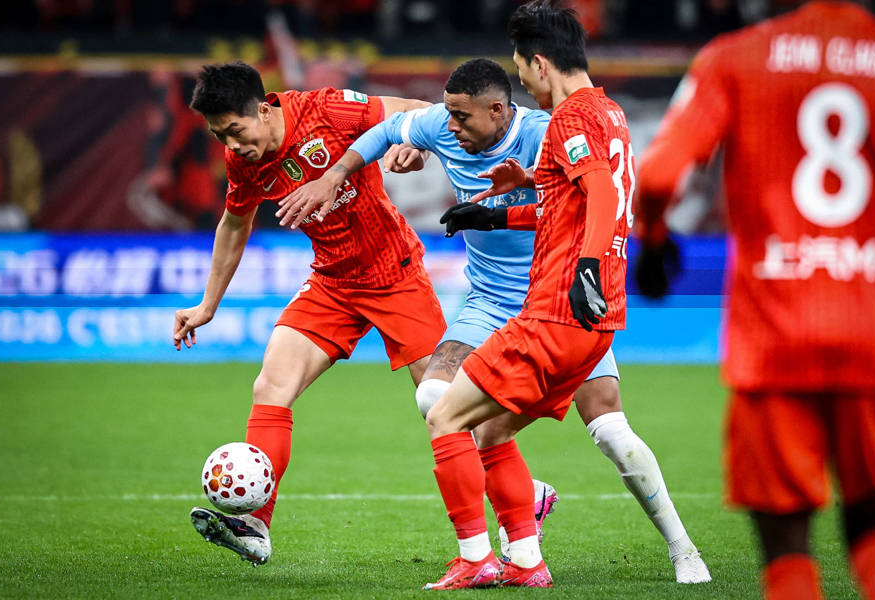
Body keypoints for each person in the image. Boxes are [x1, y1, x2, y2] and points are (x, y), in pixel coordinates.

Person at [279, 56, 709, 584]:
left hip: (558, 302)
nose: (450, 126)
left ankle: (683, 549)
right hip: (489, 302)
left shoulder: (547, 132)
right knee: (435, 398)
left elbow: (587, 202)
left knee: (610, 430)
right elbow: (386, 130)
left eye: (462, 117)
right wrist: (341, 173)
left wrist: (559, 237)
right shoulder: (443, 125)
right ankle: (525, 512)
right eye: (448, 116)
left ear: (499, 110)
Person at [634, 2, 875, 599]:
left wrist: (653, 239)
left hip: (775, 333)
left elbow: (659, 175)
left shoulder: (734, 58)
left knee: (787, 547)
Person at [173, 61, 448, 566]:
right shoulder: (244, 162)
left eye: (235, 130)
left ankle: (524, 500)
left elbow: (420, 110)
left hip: (395, 275)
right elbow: (234, 224)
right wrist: (207, 304)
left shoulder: (328, 110)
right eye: (219, 136)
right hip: (332, 283)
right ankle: (254, 526)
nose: (231, 145)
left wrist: (417, 143)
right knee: (270, 387)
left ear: (263, 109)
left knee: (445, 407)